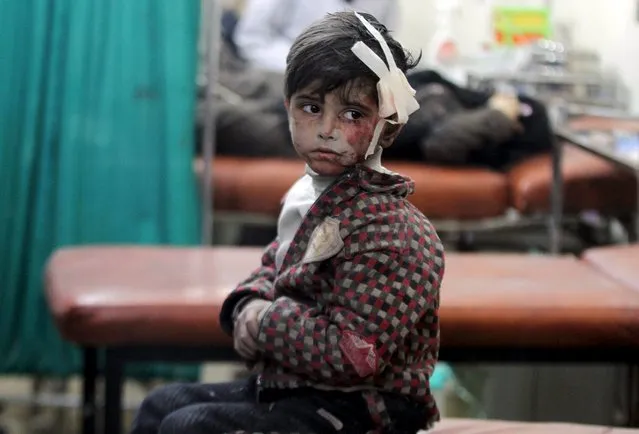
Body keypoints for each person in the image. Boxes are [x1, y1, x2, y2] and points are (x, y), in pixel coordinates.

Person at [132, 11, 444, 433]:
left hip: (365, 408)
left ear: (389, 127)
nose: (327, 129)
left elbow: (354, 354)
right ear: (288, 108)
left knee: (190, 426)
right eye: (311, 108)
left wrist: (264, 322)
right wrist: (245, 305)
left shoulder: (394, 232)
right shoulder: (309, 196)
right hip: (299, 385)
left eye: (353, 114)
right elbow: (274, 269)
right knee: (160, 405)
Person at [235, 0, 399, 72]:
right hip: (281, 71)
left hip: (349, 84)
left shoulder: (387, 3)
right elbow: (251, 40)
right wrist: (309, 64)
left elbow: (383, 48)